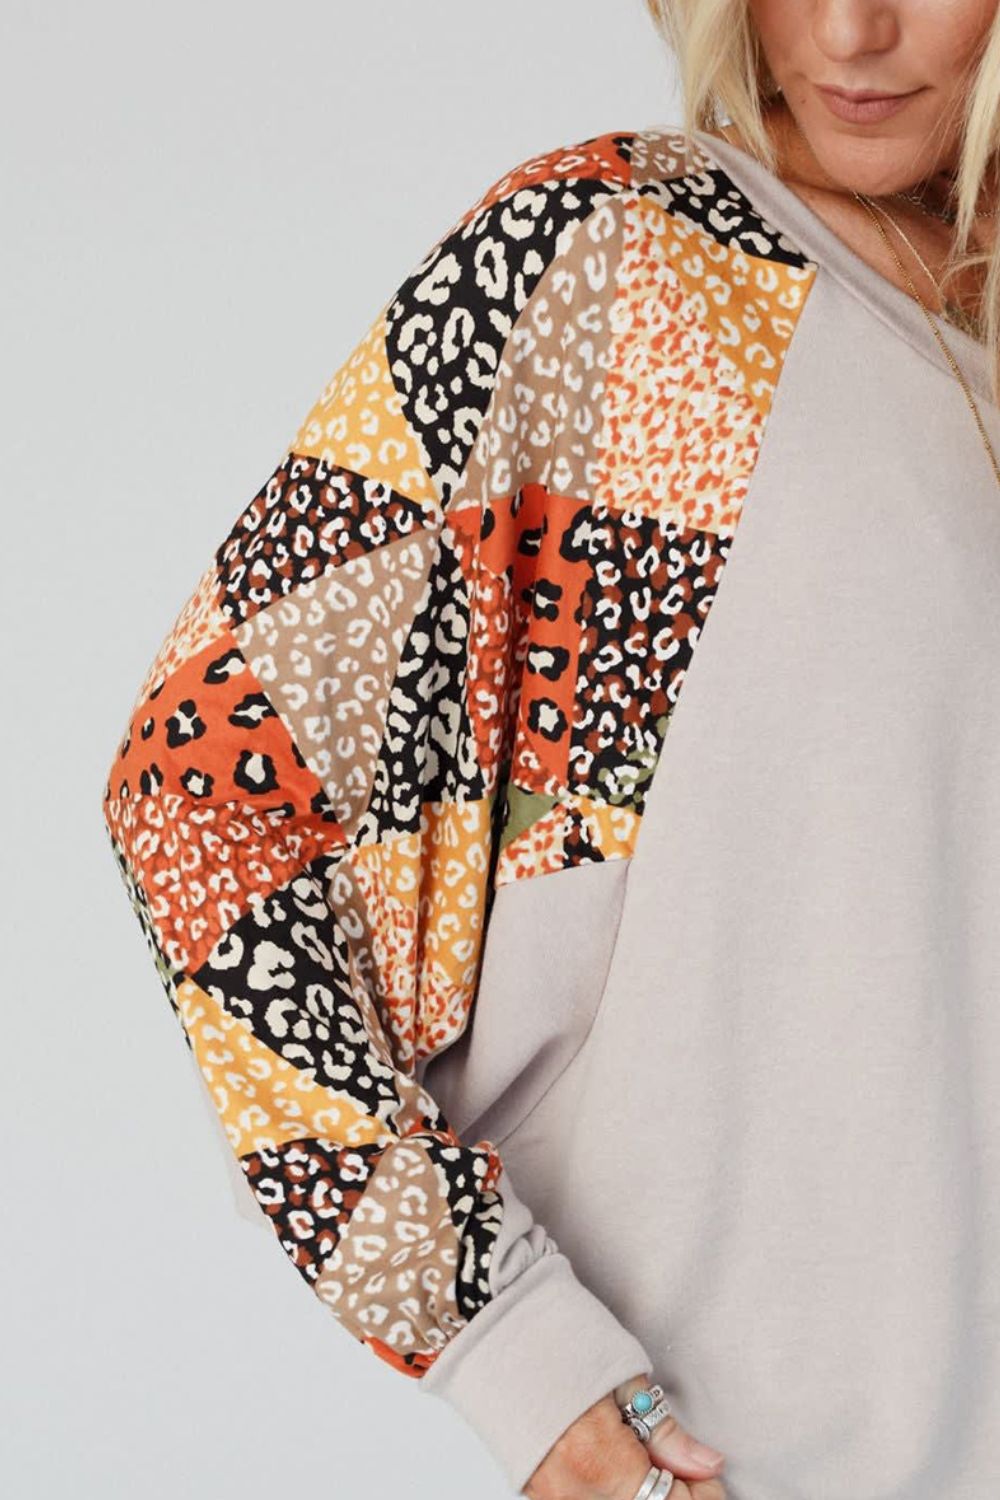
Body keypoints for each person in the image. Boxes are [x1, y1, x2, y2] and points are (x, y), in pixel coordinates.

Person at [100, 0, 1000, 1496]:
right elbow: (199, 792)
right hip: (751, 1462)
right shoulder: (634, 267)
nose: (853, 28)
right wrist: (501, 1340)